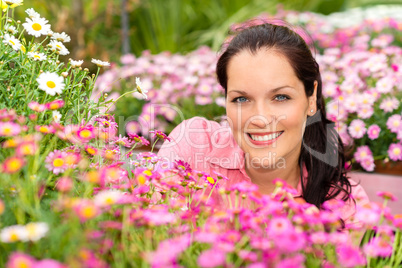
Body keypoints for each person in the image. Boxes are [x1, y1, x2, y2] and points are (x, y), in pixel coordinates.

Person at [157, 22, 369, 228]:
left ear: (311, 98)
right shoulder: (192, 148)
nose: (259, 118)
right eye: (241, 99)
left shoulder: (343, 207)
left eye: (280, 97)